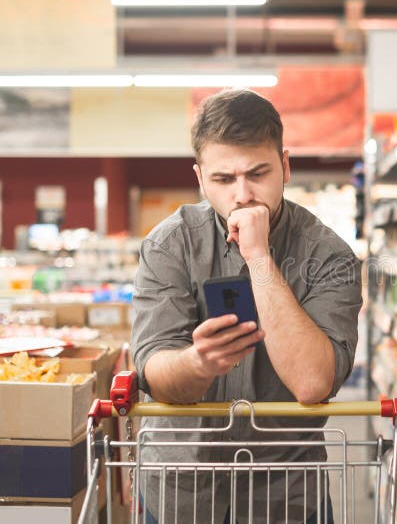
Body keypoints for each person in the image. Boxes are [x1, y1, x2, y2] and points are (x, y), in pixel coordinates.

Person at [131, 89, 362, 523]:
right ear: (200, 179)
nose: (243, 195)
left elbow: (313, 382)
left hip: (285, 495)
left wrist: (259, 258)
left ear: (285, 166)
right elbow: (153, 370)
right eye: (223, 179)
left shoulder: (330, 255)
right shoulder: (169, 245)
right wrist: (198, 363)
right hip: (182, 490)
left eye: (258, 173)